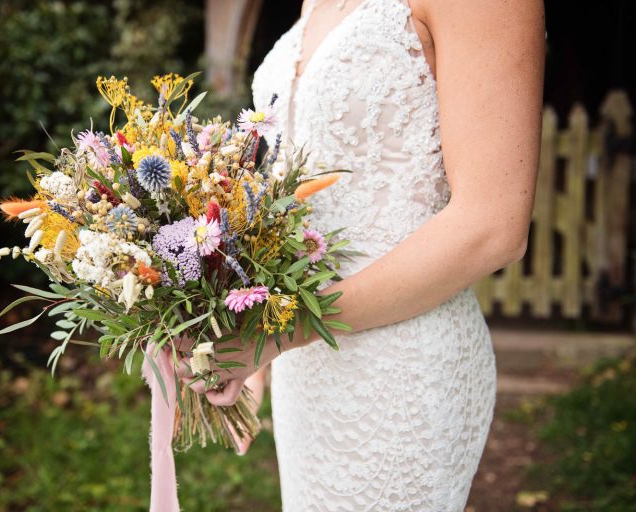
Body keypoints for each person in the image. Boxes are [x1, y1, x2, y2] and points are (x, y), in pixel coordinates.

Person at [177, 0, 545, 509]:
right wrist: (245, 333)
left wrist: (280, 333)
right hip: (303, 370)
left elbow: (493, 225)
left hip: (402, 365)